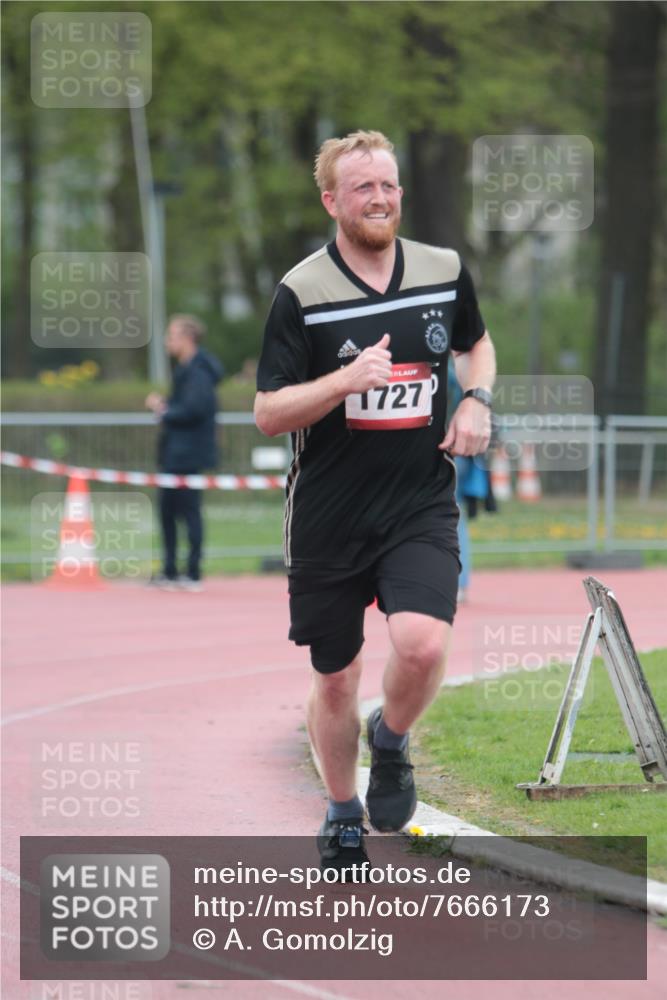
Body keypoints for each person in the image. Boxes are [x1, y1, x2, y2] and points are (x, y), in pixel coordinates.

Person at [254, 130, 495, 872]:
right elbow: (268, 412)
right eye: (362, 188)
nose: (380, 198)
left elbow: (474, 344)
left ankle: (388, 742)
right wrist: (341, 383)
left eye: (387, 185)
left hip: (416, 501)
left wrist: (477, 399)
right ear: (331, 201)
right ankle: (339, 810)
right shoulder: (301, 291)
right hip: (328, 511)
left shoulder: (442, 269)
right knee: (335, 674)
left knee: (421, 643)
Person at [145, 314, 223, 592]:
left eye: (172, 336)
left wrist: (163, 410)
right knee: (168, 511)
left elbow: (194, 410)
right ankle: (170, 570)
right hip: (175, 452)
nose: (168, 342)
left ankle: (192, 572)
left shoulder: (199, 371)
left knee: (188, 512)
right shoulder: (186, 370)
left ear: (187, 338)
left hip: (188, 454)